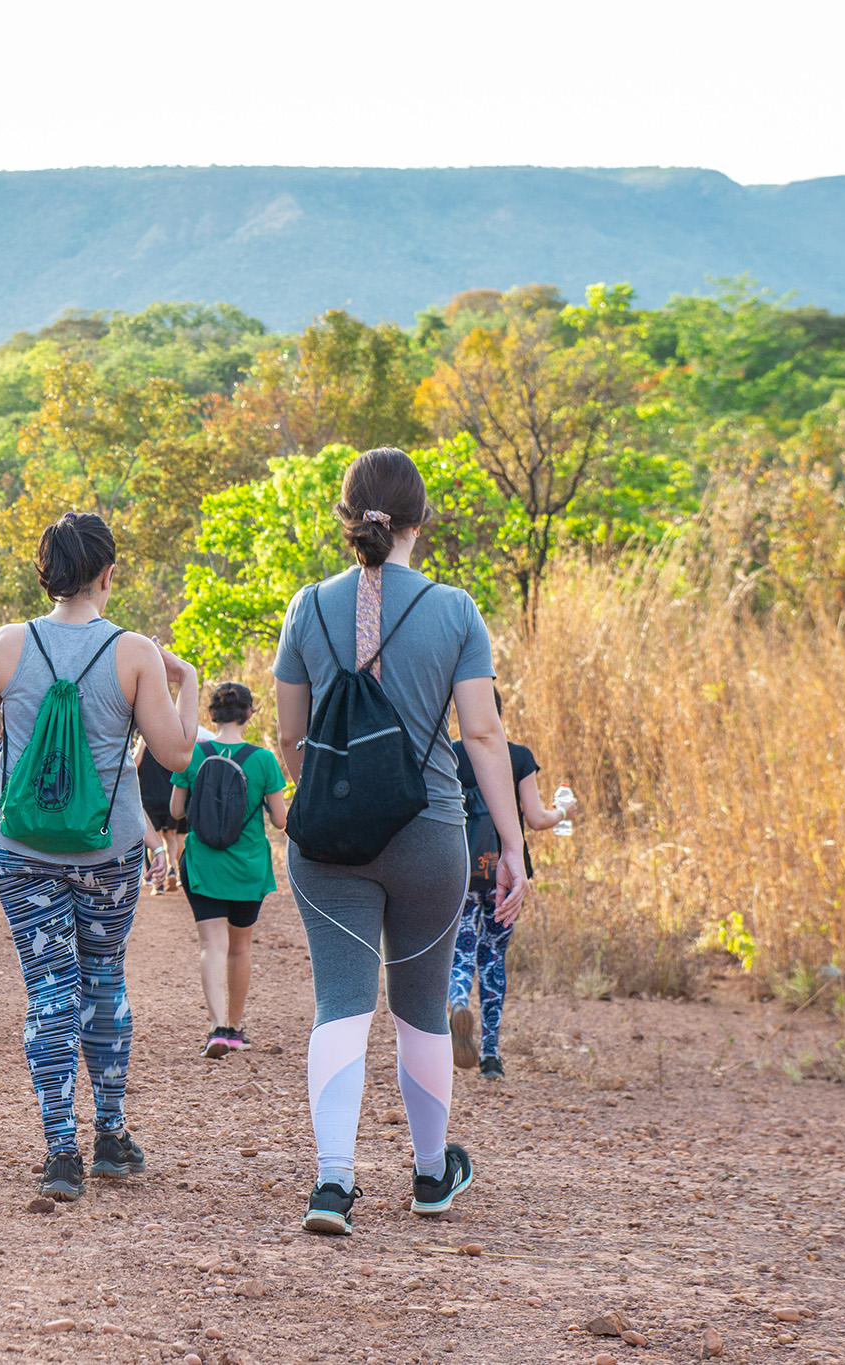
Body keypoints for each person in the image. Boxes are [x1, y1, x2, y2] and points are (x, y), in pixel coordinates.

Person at [271, 446, 526, 1237]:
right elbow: (481, 736)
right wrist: (512, 846)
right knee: (419, 1005)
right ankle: (427, 1174)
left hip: (328, 843)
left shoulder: (305, 607)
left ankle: (332, 1185)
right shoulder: (455, 612)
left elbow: (290, 739)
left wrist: (339, 797)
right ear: (422, 520)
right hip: (430, 837)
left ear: (346, 519)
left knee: (339, 1004)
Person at [0, 512, 204, 1201]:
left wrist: (24, 776)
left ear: (45, 571)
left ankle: (60, 1149)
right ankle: (113, 1136)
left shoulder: (8, 643)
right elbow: (178, 753)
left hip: (20, 847)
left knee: (49, 987)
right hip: (110, 845)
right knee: (104, 981)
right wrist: (189, 681)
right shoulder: (134, 652)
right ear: (107, 572)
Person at [448, 688, 577, 1079]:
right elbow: (536, 819)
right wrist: (564, 810)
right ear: (499, 712)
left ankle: (456, 1002)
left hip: (458, 871)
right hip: (504, 873)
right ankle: (490, 1056)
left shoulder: (449, 754)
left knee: (461, 950)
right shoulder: (518, 757)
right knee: (493, 957)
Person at [168, 681, 288, 1059]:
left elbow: (174, 812)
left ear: (211, 716)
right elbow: (281, 820)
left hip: (203, 863)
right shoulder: (264, 759)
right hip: (248, 866)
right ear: (249, 714)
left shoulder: (194, 756)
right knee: (240, 947)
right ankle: (236, 1029)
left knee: (212, 945)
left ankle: (216, 1027)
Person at [135, 736, 184, 894]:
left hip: (149, 800)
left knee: (154, 841)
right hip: (169, 797)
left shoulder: (144, 746)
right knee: (171, 836)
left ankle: (158, 882)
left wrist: (141, 744)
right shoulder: (167, 746)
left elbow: (133, 765)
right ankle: (171, 870)